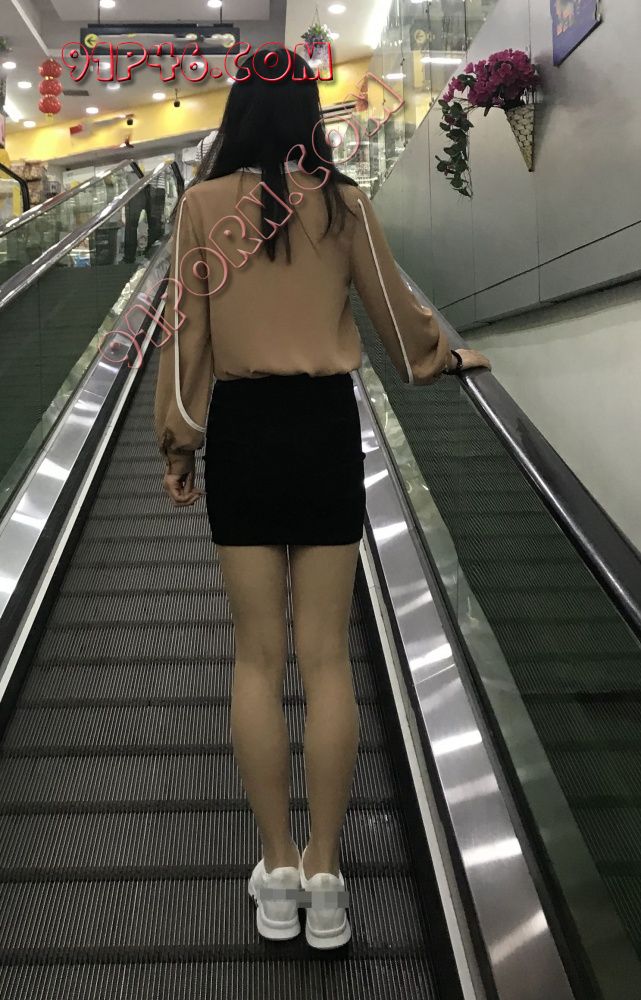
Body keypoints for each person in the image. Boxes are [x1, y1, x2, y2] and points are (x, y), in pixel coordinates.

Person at [153, 45, 490, 951]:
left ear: (237, 112)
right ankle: (327, 873)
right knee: (327, 660)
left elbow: (185, 337)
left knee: (258, 659)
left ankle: (276, 871)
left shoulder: (201, 209)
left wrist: (179, 443)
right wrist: (443, 356)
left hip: (245, 431)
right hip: (324, 428)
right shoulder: (343, 203)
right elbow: (394, 315)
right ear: (308, 113)